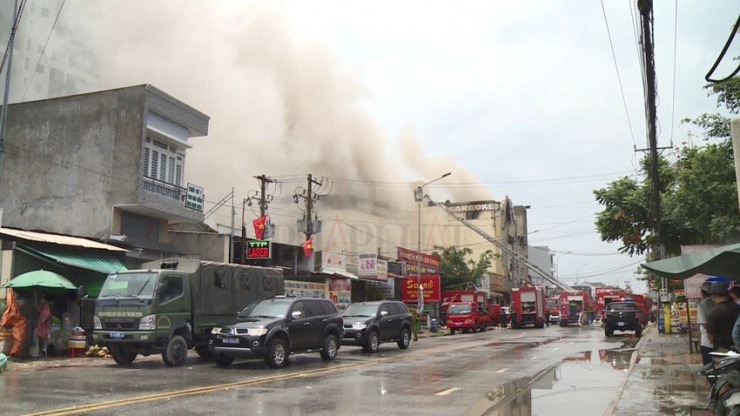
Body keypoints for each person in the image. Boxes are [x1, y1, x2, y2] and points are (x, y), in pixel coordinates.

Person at [706, 281, 740, 352]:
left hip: (721, 350)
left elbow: (710, 335)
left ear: (713, 296)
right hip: (737, 347)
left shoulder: (714, 312)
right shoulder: (737, 307)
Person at [696, 281, 716, 365]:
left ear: (702, 292)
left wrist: (712, 335)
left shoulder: (702, 305)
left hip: (708, 341)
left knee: (709, 367)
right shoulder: (718, 302)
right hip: (723, 340)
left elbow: (705, 324)